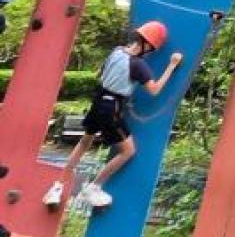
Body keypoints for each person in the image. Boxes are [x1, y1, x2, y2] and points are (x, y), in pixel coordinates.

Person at [43, 19, 183, 211]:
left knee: (84, 143)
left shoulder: (116, 51)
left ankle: (57, 187)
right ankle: (93, 187)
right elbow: (154, 90)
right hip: (112, 107)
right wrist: (172, 65)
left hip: (98, 100)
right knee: (128, 151)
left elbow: (100, 74)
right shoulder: (138, 65)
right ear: (149, 46)